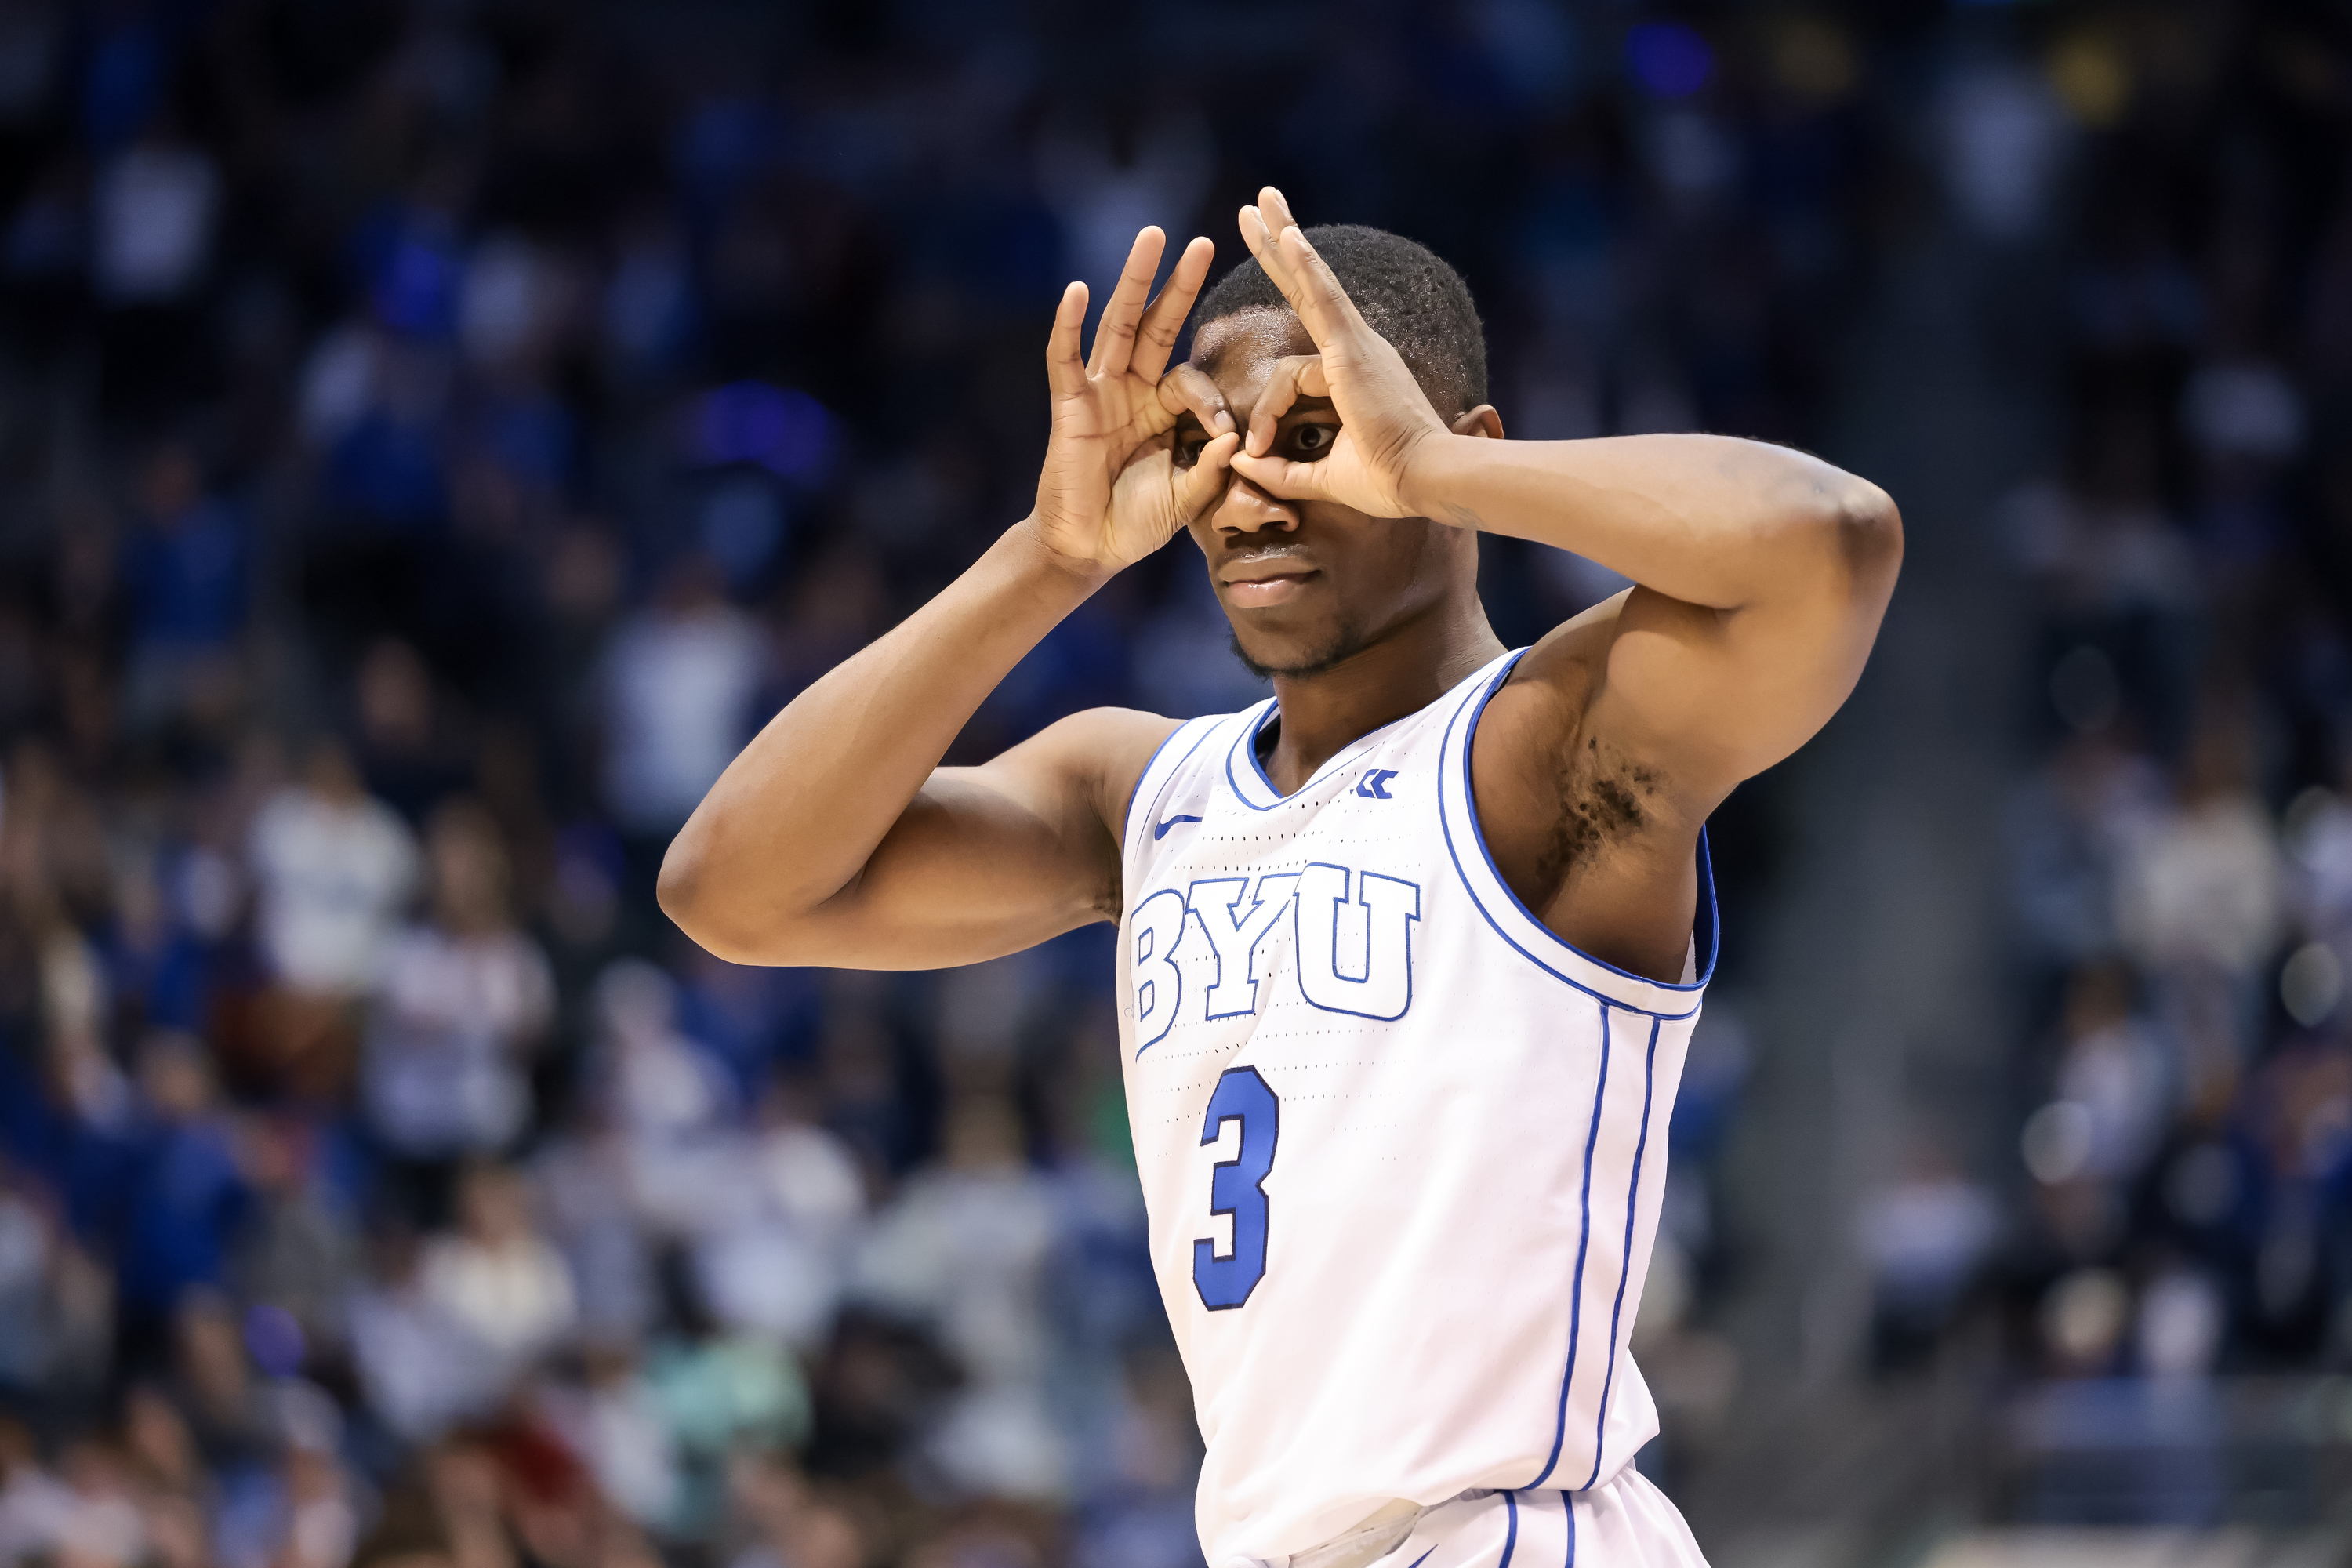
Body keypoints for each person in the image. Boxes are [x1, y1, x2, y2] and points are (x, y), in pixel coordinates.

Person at [660, 188, 1901, 1567]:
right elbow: (731, 888)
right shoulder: (1133, 790)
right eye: (1205, 444)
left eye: (1314, 439)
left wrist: (1432, 470)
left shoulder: (1544, 750)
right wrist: (1047, 558)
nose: (1253, 491)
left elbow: (1830, 544)